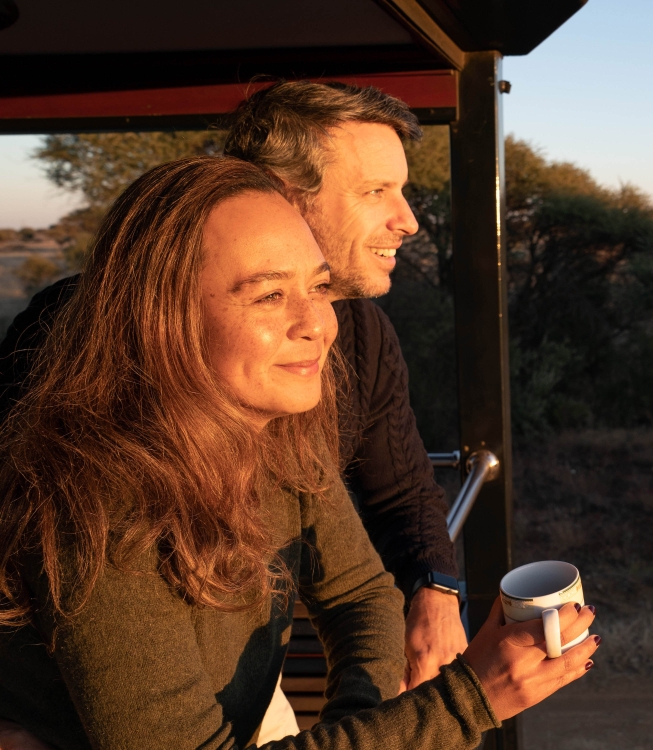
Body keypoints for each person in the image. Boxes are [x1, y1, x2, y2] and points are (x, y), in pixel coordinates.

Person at [0, 156, 598, 749]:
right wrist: (470, 701)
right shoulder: (101, 507)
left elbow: (361, 593)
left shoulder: (276, 432)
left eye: (317, 286)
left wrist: (361, 725)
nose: (317, 324)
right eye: (267, 296)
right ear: (161, 320)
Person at [0, 81, 465, 696]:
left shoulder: (353, 335)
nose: (407, 220)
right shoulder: (82, 331)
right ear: (284, 196)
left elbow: (395, 499)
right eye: (375, 191)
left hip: (243, 656)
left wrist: (435, 590)